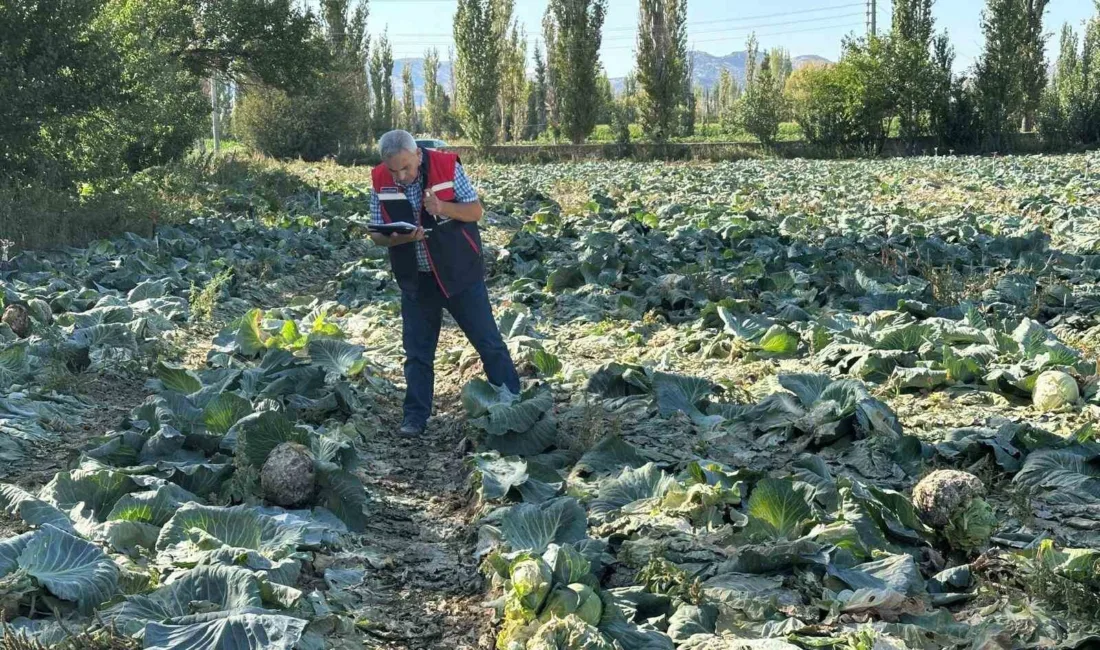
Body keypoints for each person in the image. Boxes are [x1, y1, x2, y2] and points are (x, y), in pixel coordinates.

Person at [368, 130, 521, 438]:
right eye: (393, 169)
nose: (400, 175)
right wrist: (396, 237)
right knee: (417, 353)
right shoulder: (379, 180)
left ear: (418, 156)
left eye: (406, 168)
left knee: (489, 343)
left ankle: (513, 404)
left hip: (459, 273)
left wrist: (442, 208)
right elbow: (376, 236)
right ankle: (415, 417)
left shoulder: (448, 167)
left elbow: (475, 210)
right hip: (416, 278)